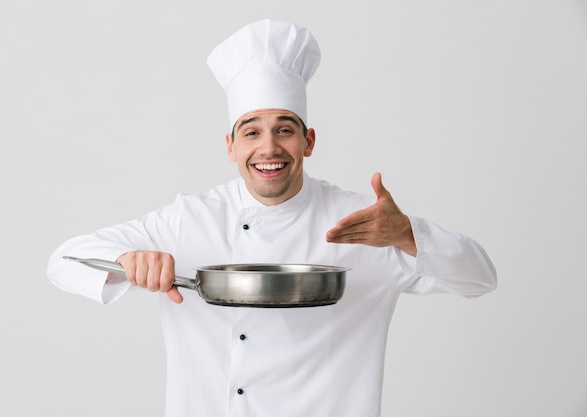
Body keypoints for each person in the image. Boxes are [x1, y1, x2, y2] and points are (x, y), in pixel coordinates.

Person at [47, 19, 496, 417]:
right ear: (230, 146)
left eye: (284, 129)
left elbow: (481, 278)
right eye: (251, 131)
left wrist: (410, 235)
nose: (268, 148)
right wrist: (128, 260)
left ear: (309, 140)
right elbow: (63, 261)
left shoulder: (367, 224)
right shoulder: (189, 219)